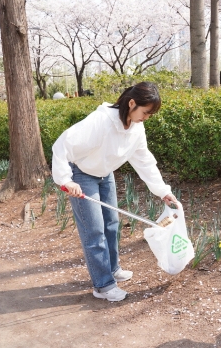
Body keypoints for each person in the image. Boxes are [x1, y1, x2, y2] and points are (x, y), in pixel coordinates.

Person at [52, 82, 179, 302]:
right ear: (131, 103)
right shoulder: (100, 121)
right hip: (82, 174)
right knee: (94, 232)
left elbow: (144, 161)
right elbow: (62, 145)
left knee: (111, 224)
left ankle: (112, 269)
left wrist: (162, 191)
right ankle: (102, 285)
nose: (147, 117)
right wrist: (65, 180)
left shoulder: (136, 128)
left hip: (105, 174)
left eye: (150, 114)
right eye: (145, 112)